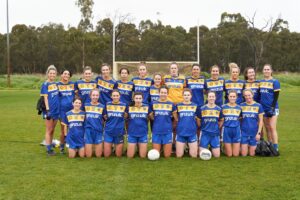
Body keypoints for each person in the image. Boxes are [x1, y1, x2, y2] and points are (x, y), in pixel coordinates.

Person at [149, 86, 177, 158]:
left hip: (167, 131)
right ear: (159, 93)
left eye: (165, 93)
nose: (163, 94)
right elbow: (151, 116)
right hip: (156, 130)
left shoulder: (171, 104)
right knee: (156, 155)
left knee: (167, 156)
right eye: (162, 92)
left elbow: (175, 118)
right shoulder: (153, 104)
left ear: (167, 94)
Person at [259, 64, 280, 152]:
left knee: (272, 127)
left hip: (272, 108)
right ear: (263, 71)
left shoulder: (275, 81)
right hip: (263, 108)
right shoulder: (261, 82)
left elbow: (276, 96)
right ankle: (269, 145)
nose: (266, 71)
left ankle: (275, 147)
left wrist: (272, 107)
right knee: (267, 127)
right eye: (265, 69)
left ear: (271, 71)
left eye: (268, 69)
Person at [40, 65, 60, 156]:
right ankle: (48, 150)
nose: (52, 74)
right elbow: (45, 99)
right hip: (49, 111)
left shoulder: (55, 84)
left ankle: (50, 145)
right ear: (47, 74)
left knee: (52, 129)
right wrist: (48, 111)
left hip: (56, 110)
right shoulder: (45, 84)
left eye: (54, 73)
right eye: (50, 73)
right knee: (49, 130)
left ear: (56, 74)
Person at [175, 88, 199, 158]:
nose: (186, 96)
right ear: (182, 96)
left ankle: (188, 147)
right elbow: (176, 117)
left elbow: (198, 119)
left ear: (191, 96)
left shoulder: (195, 106)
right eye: (185, 95)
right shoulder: (178, 105)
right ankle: (184, 146)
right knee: (179, 155)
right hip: (181, 132)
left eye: (188, 95)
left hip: (192, 132)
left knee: (193, 155)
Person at [103, 89, 127, 157]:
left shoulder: (124, 105)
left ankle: (116, 147)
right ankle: (111, 146)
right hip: (108, 131)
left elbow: (126, 116)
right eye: (114, 96)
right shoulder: (107, 104)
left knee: (118, 155)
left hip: (119, 131)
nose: (115, 97)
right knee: (107, 155)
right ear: (111, 96)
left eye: (117, 95)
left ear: (120, 96)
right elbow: (105, 116)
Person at [57, 69, 76, 154]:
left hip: (72, 109)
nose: (66, 75)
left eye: (68, 74)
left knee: (72, 128)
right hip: (62, 110)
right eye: (65, 73)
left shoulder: (72, 84)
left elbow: (76, 95)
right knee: (63, 129)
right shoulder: (57, 85)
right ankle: (61, 146)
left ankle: (72, 145)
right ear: (61, 75)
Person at [199, 91, 223, 158]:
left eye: (213, 96)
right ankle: (206, 147)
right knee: (202, 155)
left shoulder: (219, 109)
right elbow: (198, 120)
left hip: (215, 134)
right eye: (210, 96)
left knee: (217, 156)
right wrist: (202, 127)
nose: (211, 98)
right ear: (207, 98)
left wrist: (217, 127)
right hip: (205, 133)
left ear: (215, 98)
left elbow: (221, 120)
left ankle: (212, 148)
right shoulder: (202, 108)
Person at [240, 89, 264, 156]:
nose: (247, 97)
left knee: (252, 154)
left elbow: (261, 121)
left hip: (254, 132)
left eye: (249, 95)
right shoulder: (241, 106)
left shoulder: (258, 106)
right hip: (244, 132)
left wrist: (258, 133)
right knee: (244, 154)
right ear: (244, 96)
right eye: (246, 95)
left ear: (252, 95)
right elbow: (239, 118)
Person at [127, 92, 151, 158]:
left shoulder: (146, 107)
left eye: (140, 98)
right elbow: (126, 118)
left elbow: (149, 118)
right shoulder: (129, 107)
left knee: (142, 156)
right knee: (130, 156)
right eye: (136, 98)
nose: (138, 100)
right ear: (133, 99)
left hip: (143, 134)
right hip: (132, 134)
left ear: (142, 99)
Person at [220, 90, 242, 157]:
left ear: (236, 97)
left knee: (235, 155)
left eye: (234, 96)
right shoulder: (223, 107)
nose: (232, 98)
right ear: (228, 97)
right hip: (226, 129)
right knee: (229, 155)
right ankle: (224, 147)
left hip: (236, 129)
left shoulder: (239, 107)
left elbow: (241, 118)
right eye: (231, 96)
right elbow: (221, 120)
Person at [84, 89, 105, 158]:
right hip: (88, 130)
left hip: (98, 130)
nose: (95, 97)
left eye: (96, 95)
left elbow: (105, 118)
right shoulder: (85, 106)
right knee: (88, 156)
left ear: (99, 96)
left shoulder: (102, 106)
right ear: (90, 96)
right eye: (93, 95)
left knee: (98, 155)